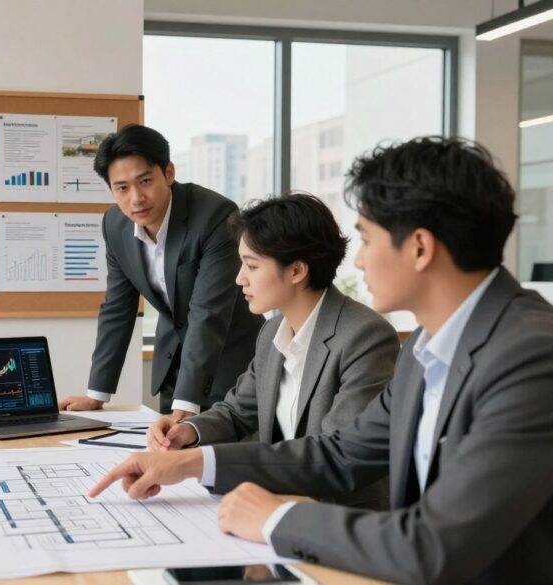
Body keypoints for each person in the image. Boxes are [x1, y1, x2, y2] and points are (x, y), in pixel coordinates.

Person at [90, 137, 553, 584]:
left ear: (419, 247)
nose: (360, 262)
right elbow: (339, 453)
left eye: (367, 239)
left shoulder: (530, 357)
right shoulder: (425, 348)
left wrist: (277, 518)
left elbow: (434, 545)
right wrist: (191, 463)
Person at [147, 192, 398, 509]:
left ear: (296, 271)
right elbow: (236, 412)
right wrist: (186, 431)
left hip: (338, 514)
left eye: (251, 266)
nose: (239, 278)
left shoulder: (365, 337)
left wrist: (199, 462)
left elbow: (336, 454)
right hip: (280, 502)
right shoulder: (271, 333)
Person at [59, 124, 264, 419]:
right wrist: (96, 395)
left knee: (218, 447)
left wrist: (186, 404)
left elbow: (208, 313)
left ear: (168, 173)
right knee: (167, 445)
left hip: (231, 369)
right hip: (173, 369)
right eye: (122, 188)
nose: (136, 198)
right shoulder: (115, 225)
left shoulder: (215, 216)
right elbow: (117, 308)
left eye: (145, 181)